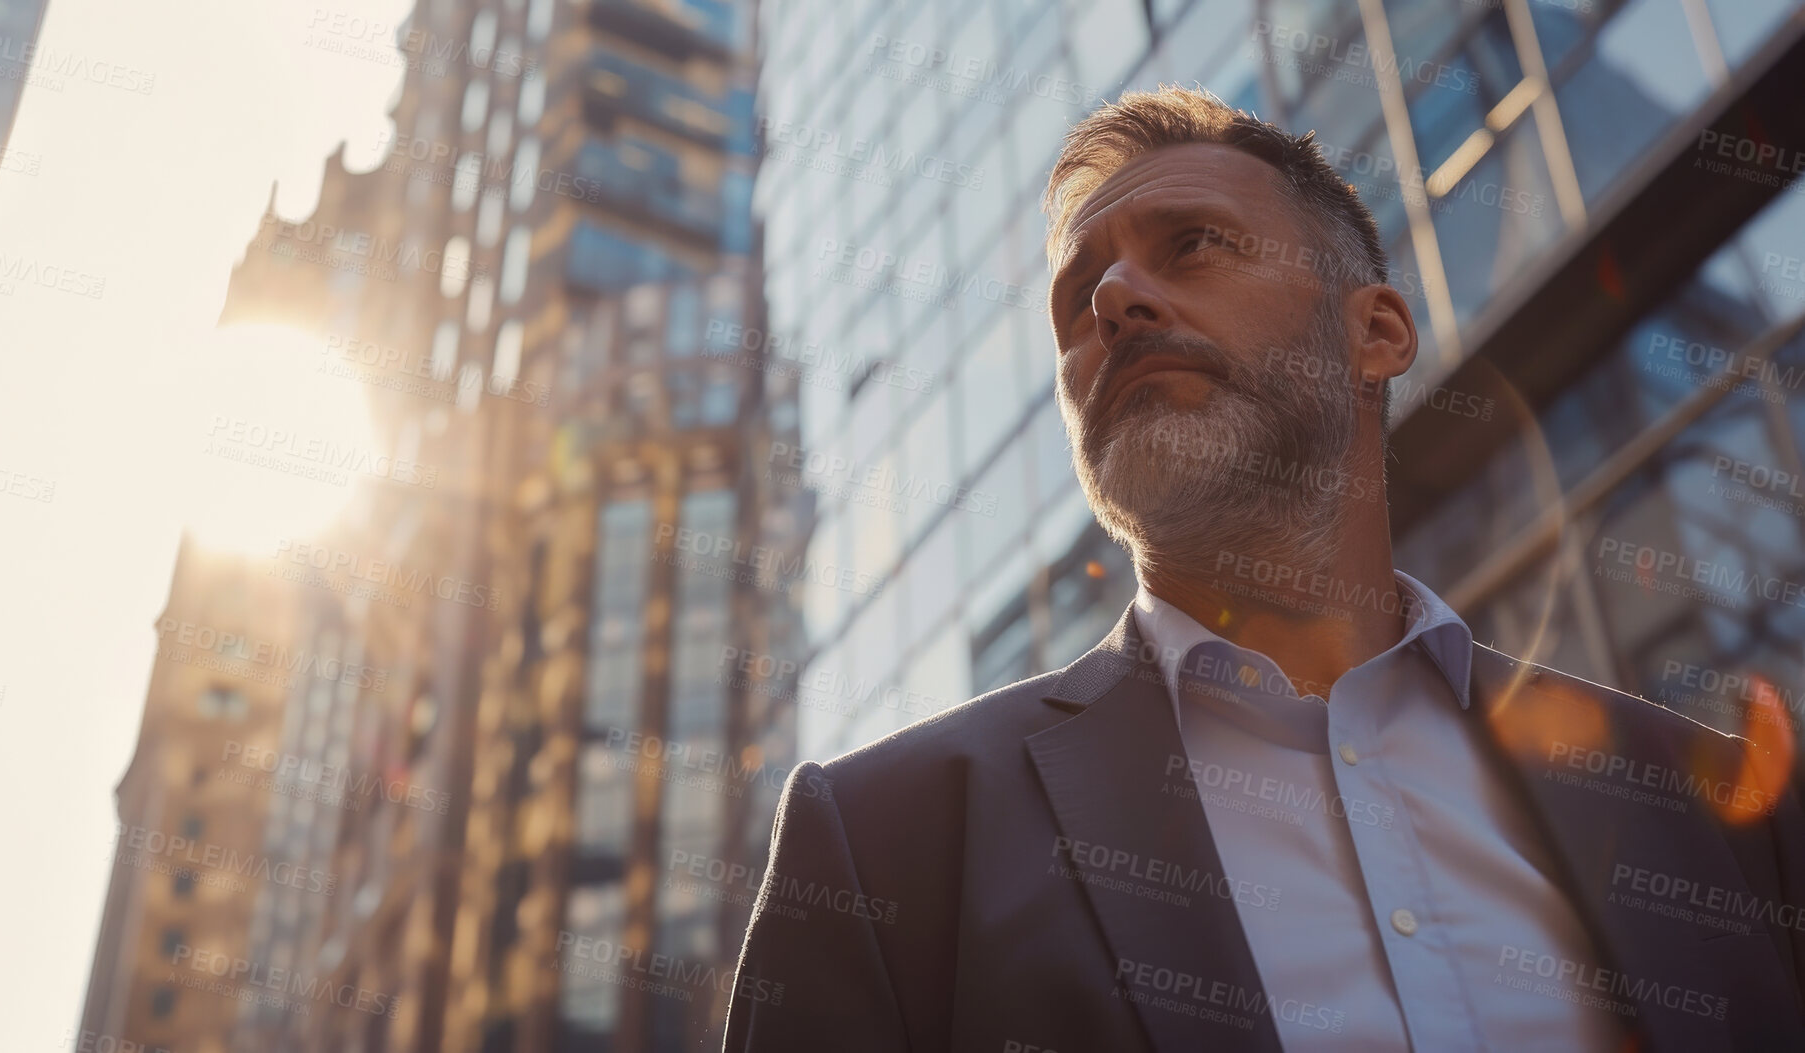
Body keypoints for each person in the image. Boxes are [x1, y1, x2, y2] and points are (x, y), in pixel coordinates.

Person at [720, 86, 1805, 1052]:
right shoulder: (882, 844)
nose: (1113, 303)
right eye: (1076, 301)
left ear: (1375, 332)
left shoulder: (1721, 820)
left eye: (1192, 245)